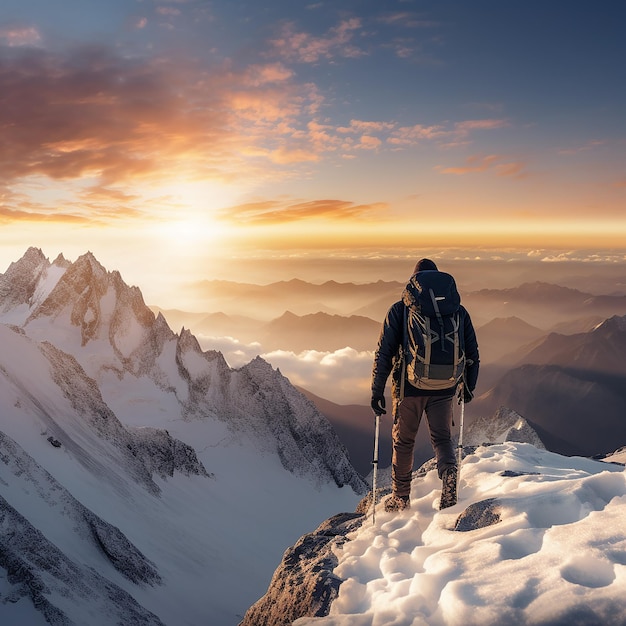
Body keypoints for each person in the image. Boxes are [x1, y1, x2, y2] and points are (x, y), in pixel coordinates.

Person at [370, 258, 479, 512]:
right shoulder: (458, 312)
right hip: (445, 386)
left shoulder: (402, 309)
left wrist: (377, 390)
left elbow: (384, 353)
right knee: (442, 439)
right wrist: (468, 385)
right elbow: (472, 351)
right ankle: (449, 472)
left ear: (415, 281)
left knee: (404, 442)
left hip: (409, 388)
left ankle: (401, 497)